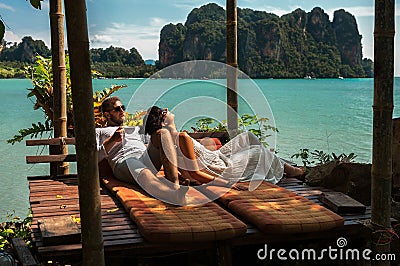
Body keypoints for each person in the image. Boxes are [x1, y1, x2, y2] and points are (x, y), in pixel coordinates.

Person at [144, 106, 305, 190]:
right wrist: (227, 183)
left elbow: (185, 171)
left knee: (248, 136)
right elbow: (195, 173)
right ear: (163, 120)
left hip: (216, 157)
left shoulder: (172, 140)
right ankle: (295, 171)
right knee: (259, 152)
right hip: (220, 167)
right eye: (165, 111)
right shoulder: (181, 138)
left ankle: (277, 165)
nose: (169, 111)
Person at [96, 97, 187, 205]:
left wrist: (170, 123)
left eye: (123, 107)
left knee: (163, 133)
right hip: (125, 160)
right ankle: (171, 195)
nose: (122, 111)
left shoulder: (135, 129)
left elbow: (166, 143)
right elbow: (94, 157)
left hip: (145, 156)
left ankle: (174, 185)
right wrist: (112, 140)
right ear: (107, 115)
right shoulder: (100, 131)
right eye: (117, 109)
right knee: (143, 172)